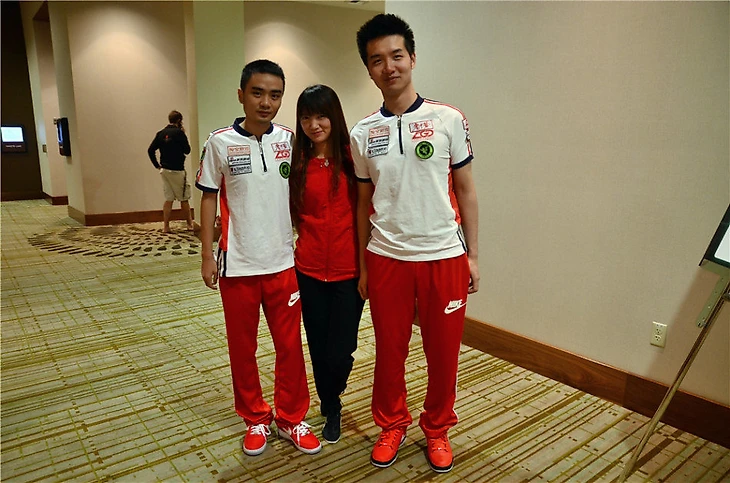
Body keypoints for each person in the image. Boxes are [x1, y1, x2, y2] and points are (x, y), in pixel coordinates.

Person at [350, 14, 480, 473]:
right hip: (387, 258)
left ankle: (438, 428)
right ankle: (392, 423)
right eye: (377, 60)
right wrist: (364, 266)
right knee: (390, 352)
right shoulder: (363, 133)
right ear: (369, 69)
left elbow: (466, 190)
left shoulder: (448, 119)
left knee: (443, 354)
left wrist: (473, 256)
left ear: (412, 58)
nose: (389, 67)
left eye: (397, 56)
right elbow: (363, 202)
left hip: (444, 256)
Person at [195, 59, 321, 457]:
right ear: (241, 95)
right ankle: (254, 417)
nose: (266, 102)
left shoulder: (290, 139)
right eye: (258, 93)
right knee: (242, 348)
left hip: (283, 263)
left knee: (290, 346)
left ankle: (291, 418)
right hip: (238, 264)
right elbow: (208, 198)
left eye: (275, 95)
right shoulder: (219, 143)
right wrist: (206, 255)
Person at [289, 85, 365, 445]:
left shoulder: (353, 160)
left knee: (341, 349)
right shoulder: (298, 164)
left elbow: (368, 212)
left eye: (321, 116)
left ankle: (332, 391)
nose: (314, 124)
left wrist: (367, 268)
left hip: (349, 271)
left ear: (334, 116)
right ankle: (331, 405)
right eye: (306, 117)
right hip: (308, 269)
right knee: (318, 345)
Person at [147, 110, 194, 232]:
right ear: (179, 120)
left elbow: (150, 150)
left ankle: (166, 226)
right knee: (184, 198)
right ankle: (189, 224)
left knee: (169, 198)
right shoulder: (179, 133)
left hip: (164, 170)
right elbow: (187, 150)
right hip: (177, 170)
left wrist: (157, 165)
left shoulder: (161, 133)